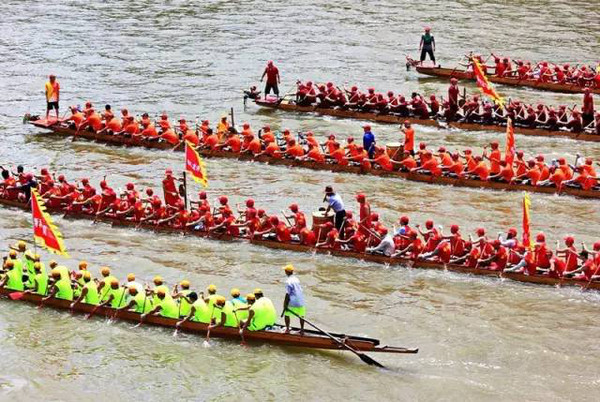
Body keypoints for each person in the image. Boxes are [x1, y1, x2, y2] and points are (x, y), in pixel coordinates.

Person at [281, 264, 305, 335]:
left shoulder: (288, 281)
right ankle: (302, 330)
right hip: (301, 300)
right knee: (301, 315)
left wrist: (285, 304)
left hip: (293, 301)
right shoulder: (296, 279)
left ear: (286, 272)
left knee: (286, 314)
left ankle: (287, 329)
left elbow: (288, 294)